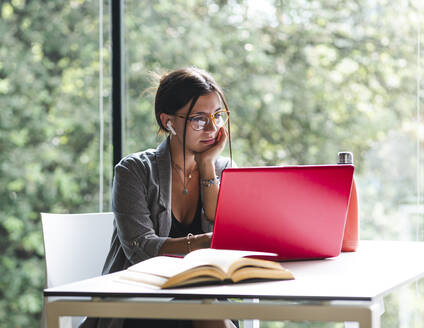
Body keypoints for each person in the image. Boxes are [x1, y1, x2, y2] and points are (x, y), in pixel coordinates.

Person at [81, 67, 237, 328]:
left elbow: (223, 235)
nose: (212, 128)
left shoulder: (224, 169)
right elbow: (141, 249)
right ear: (169, 122)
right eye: (199, 119)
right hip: (138, 302)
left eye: (218, 116)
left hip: (206, 297)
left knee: (205, 305)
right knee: (204, 308)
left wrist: (207, 165)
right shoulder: (134, 170)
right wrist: (200, 243)